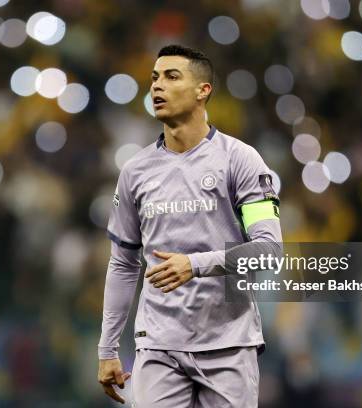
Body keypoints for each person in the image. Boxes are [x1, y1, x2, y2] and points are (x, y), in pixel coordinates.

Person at [97, 44, 283, 407]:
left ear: (203, 90)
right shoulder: (135, 172)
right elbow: (122, 262)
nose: (156, 87)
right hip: (158, 345)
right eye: (153, 78)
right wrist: (108, 347)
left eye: (171, 76)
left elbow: (269, 250)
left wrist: (195, 265)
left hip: (228, 343)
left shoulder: (240, 161)